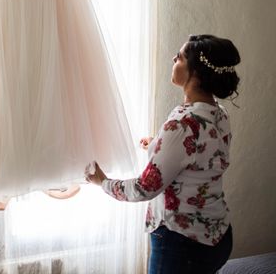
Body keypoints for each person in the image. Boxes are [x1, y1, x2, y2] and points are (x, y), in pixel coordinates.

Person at [85, 34, 240, 274]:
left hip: (182, 245)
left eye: (178, 57)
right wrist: (158, 144)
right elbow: (201, 155)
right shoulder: (219, 114)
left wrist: (102, 182)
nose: (173, 59)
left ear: (196, 73)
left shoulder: (182, 124)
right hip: (218, 236)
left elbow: (144, 187)